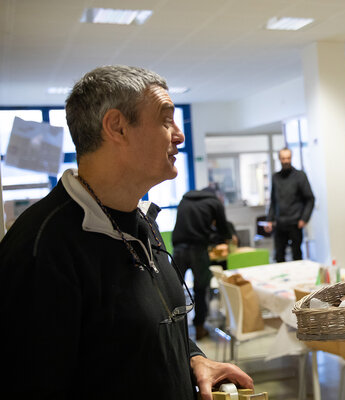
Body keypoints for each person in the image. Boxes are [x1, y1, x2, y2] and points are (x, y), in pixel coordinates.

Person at [0, 65, 252, 399]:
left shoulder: (143, 222)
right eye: (166, 120)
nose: (179, 135)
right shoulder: (42, 247)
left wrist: (193, 358)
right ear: (117, 127)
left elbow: (146, 331)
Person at [172, 186, 232, 340]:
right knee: (200, 289)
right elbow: (223, 229)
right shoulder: (214, 203)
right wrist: (225, 240)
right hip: (199, 250)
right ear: (217, 195)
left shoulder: (184, 200)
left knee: (172, 289)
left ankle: (172, 329)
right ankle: (199, 328)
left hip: (178, 249)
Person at [265, 148, 315, 262]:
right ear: (279, 159)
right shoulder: (275, 177)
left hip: (295, 223)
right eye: (283, 158)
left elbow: (310, 199)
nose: (286, 161)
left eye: (288, 158)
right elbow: (273, 200)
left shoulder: (300, 176)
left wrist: (304, 219)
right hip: (279, 223)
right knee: (279, 256)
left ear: (291, 158)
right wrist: (269, 219)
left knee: (296, 255)